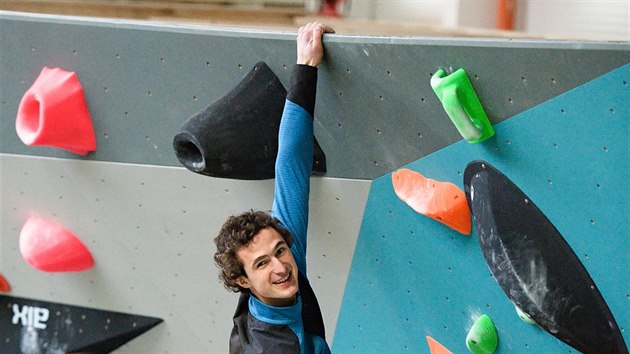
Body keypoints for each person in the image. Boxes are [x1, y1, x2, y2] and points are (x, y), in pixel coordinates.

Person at [213, 22, 335, 354]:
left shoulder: (282, 264)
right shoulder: (277, 348)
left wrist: (305, 67)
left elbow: (290, 166)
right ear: (243, 282)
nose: (280, 267)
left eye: (279, 251)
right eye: (262, 264)